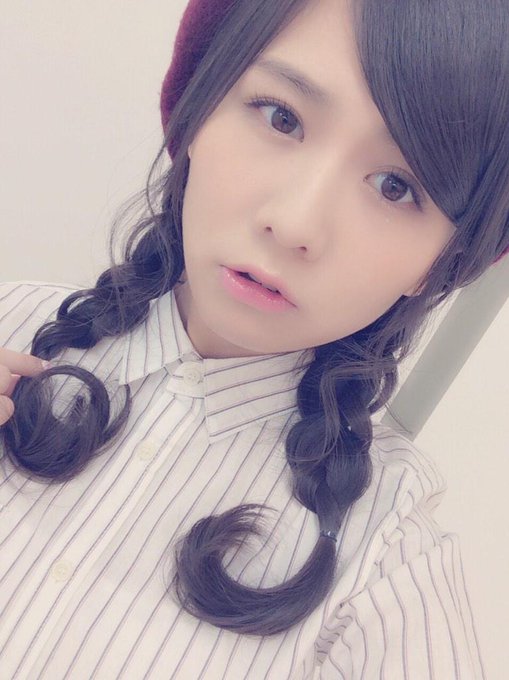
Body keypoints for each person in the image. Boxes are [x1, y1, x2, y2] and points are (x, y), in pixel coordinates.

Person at [0, 0, 507, 676]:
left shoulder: (387, 557)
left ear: (440, 264)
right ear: (199, 106)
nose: (294, 223)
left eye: (395, 186)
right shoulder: (11, 322)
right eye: (281, 117)